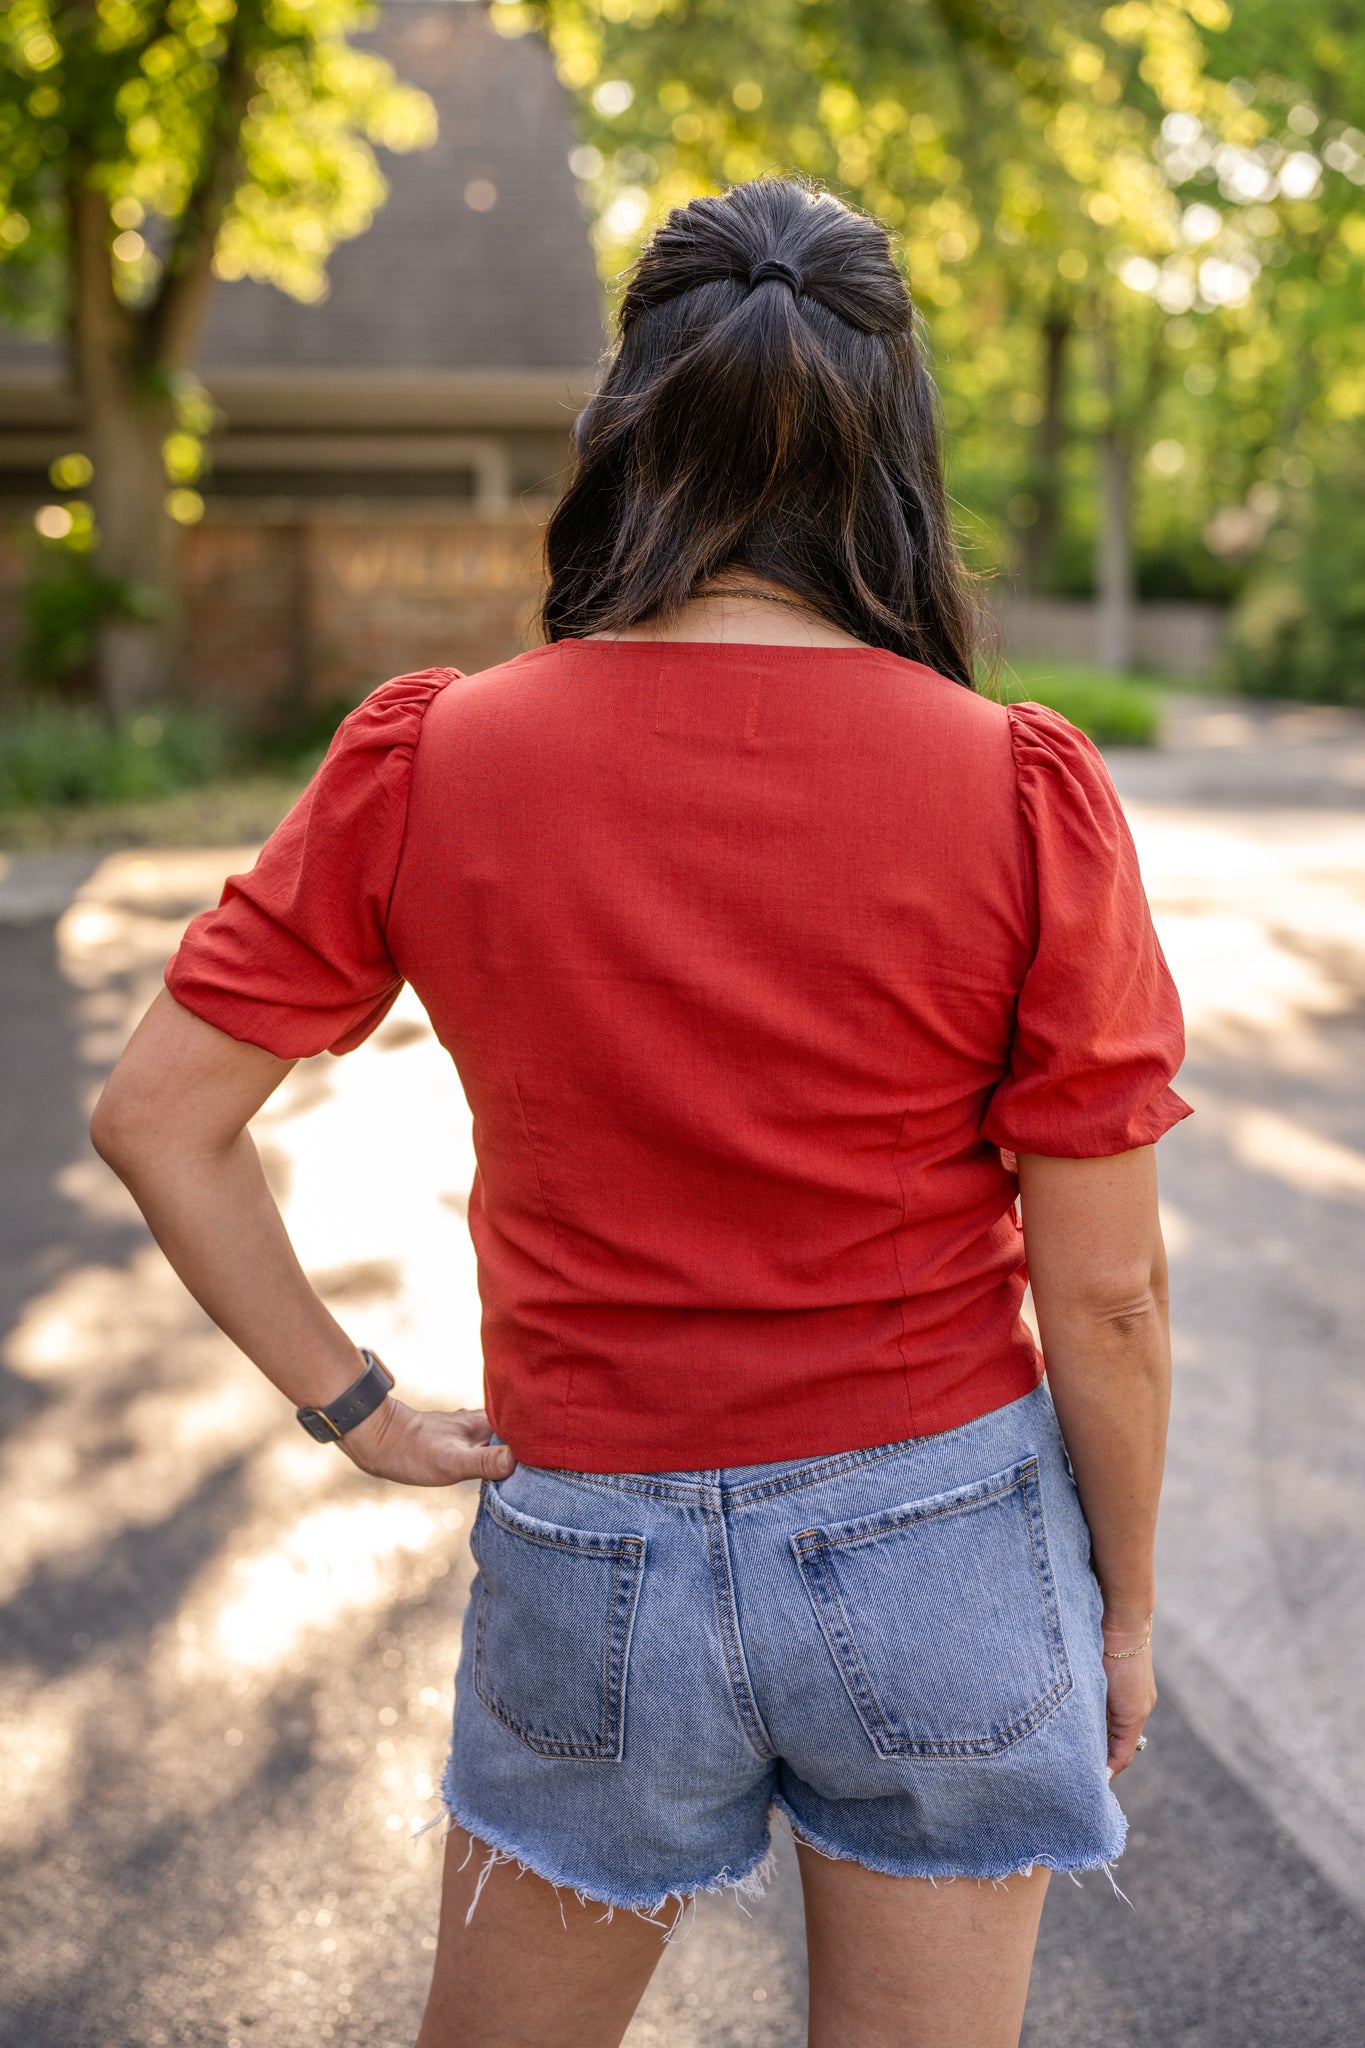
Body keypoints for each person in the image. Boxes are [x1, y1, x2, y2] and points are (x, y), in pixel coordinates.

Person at [91, 176, 1188, 2048]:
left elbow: (157, 1117)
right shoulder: (1014, 787)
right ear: (893, 450)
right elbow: (1103, 1299)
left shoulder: (435, 752)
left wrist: (355, 1410)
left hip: (588, 1541)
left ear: (626, 427)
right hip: (937, 1531)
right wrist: (1126, 1602)